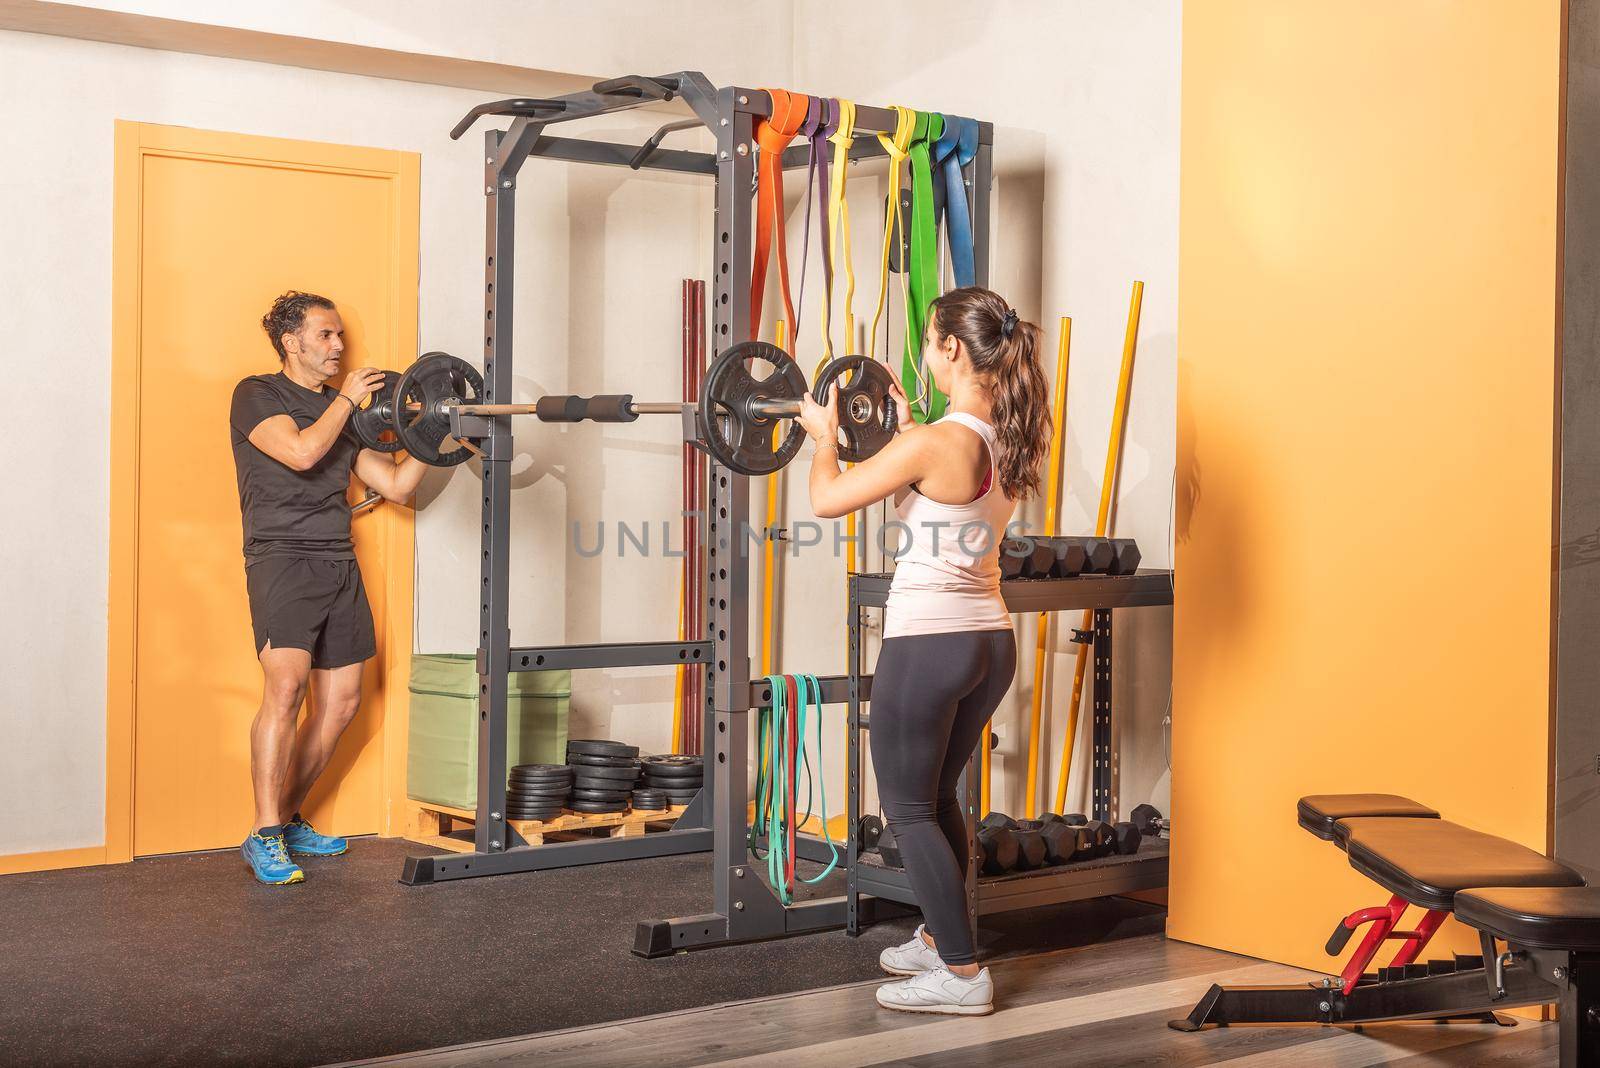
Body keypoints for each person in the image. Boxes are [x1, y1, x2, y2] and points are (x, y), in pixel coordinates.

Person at [797, 286, 1051, 1015]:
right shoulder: (999, 433)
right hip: (985, 640)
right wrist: (903, 429)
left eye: (930, 340)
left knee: (907, 809)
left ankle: (965, 977)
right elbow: (930, 493)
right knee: (937, 796)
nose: (922, 353)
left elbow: (827, 500)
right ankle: (943, 941)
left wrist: (823, 439)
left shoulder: (935, 442)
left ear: (953, 351)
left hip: (929, 642)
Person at [228, 291, 429, 885]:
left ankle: (284, 820)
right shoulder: (256, 394)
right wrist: (346, 400)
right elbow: (300, 451)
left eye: (340, 335)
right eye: (326, 335)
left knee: (340, 703)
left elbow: (394, 486)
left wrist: (438, 436)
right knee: (286, 691)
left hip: (338, 558)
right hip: (281, 557)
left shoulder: (346, 416)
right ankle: (265, 836)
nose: (339, 346)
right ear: (292, 342)